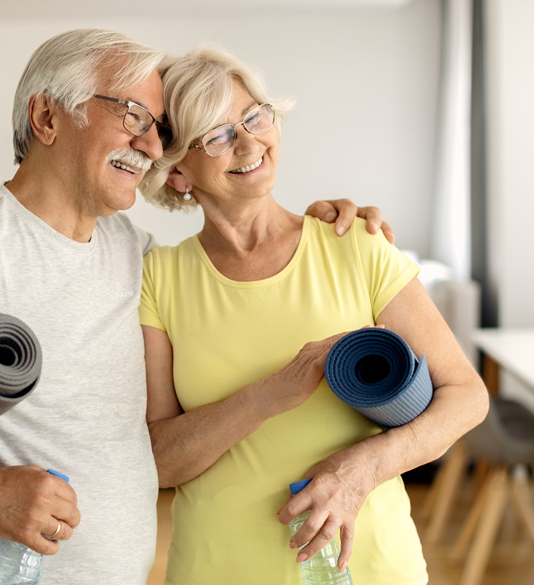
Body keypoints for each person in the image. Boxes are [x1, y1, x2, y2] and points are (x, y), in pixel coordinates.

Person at [0, 29, 388, 585]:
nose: (152, 145)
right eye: (131, 115)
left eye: (158, 127)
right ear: (48, 116)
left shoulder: (139, 259)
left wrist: (317, 225)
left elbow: (238, 273)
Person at [137, 47, 490, 584]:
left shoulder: (356, 244)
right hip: (221, 569)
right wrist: (265, 396)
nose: (251, 143)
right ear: (179, 170)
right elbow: (160, 461)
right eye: (217, 133)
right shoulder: (158, 280)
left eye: (254, 116)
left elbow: (466, 396)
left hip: (370, 565)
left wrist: (361, 469)